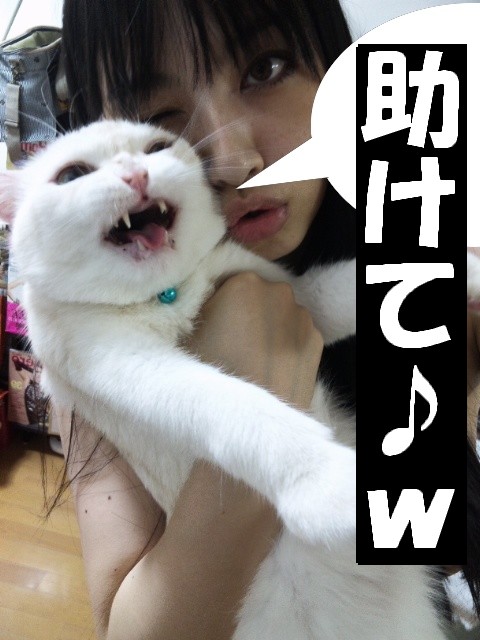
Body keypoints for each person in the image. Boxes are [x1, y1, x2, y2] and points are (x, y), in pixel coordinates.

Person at [56, 1, 477, 639]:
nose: (230, 160)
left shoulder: (405, 231)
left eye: (266, 68)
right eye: (158, 117)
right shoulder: (93, 340)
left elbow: (421, 538)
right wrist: (251, 410)